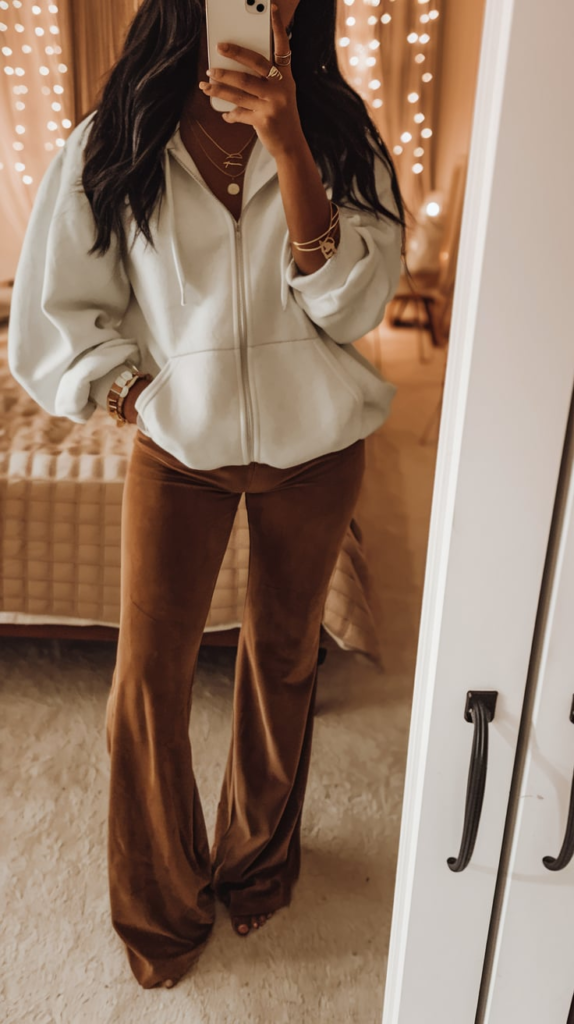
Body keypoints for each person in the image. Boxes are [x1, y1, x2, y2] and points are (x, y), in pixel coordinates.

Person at [8, 0, 409, 992]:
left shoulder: (337, 126)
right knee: (146, 684)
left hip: (316, 452)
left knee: (280, 662)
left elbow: (355, 305)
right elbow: (58, 300)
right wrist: (128, 387)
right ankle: (157, 905)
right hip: (178, 453)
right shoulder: (118, 133)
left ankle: (259, 860)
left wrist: (290, 140)